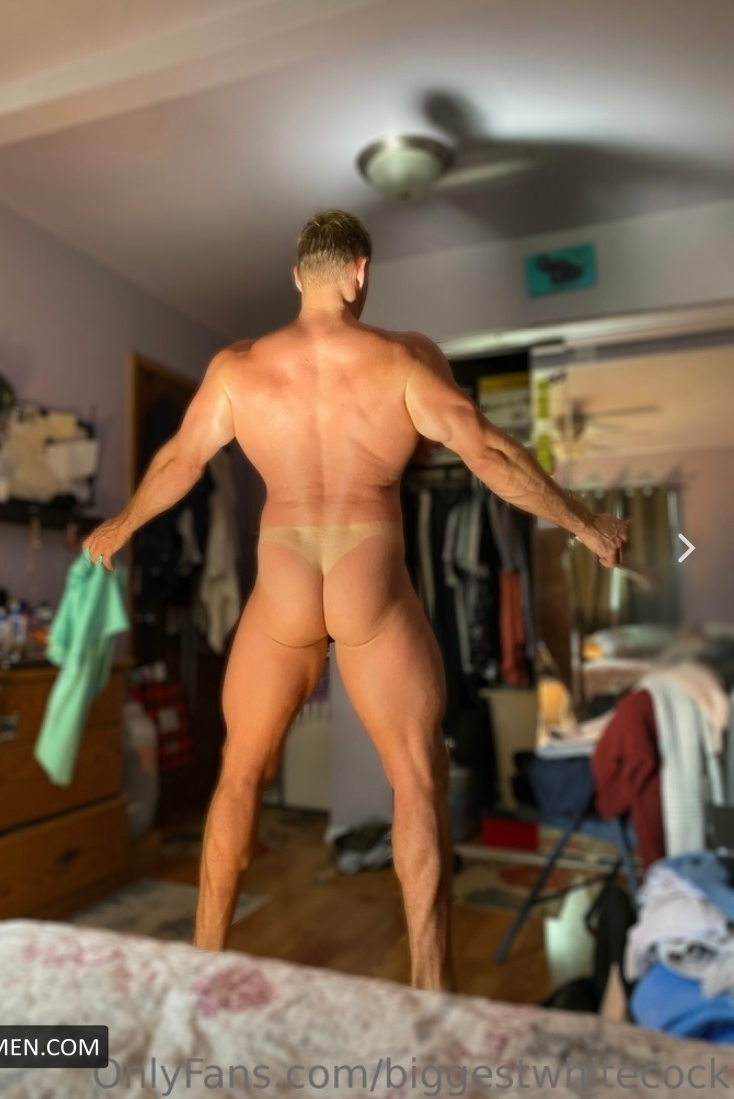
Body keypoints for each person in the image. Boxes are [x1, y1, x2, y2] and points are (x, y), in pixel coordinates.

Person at [85, 209, 629, 992]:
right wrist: (582, 521)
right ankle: (432, 994)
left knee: (238, 775)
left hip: (283, 572)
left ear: (297, 276)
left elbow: (180, 459)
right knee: (416, 778)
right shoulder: (404, 358)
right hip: (365, 565)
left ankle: (202, 970)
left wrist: (122, 524)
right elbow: (486, 450)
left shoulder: (238, 367)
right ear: (360, 272)